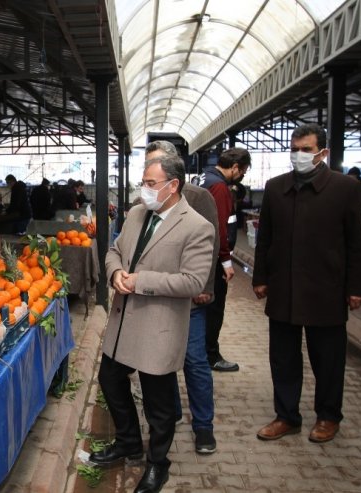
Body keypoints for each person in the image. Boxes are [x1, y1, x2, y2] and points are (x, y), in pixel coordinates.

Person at [90, 154, 214, 493]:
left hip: (158, 324)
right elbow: (115, 250)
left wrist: (141, 280)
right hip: (123, 320)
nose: (144, 190)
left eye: (150, 184)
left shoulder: (197, 227)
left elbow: (192, 281)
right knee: (110, 379)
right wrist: (115, 272)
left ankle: (158, 463)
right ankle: (129, 442)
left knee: (159, 403)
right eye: (143, 183)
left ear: (173, 186)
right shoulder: (136, 214)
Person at [253, 123, 361, 443]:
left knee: (328, 359)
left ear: (323, 153)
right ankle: (286, 416)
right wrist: (260, 276)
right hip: (284, 288)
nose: (299, 155)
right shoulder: (276, 188)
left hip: (326, 289)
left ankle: (328, 416)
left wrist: (356, 287)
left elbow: (357, 242)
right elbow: (265, 238)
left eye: (306, 150)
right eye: (295, 149)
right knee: (284, 357)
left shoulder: (345, 188)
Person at [145, 140, 220, 455]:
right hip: (157, 296)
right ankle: (171, 412)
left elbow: (211, 244)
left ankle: (204, 427)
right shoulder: (146, 204)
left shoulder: (198, 198)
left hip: (189, 298)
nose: (148, 178)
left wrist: (206, 286)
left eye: (155, 167)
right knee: (163, 360)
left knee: (194, 361)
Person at [199, 147, 251, 372]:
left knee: (203, 309)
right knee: (214, 308)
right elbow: (219, 228)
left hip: (201, 255)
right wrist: (226, 260)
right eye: (243, 172)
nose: (241, 177)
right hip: (214, 259)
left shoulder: (203, 177)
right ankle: (211, 356)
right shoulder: (219, 187)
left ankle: (200, 351)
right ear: (236, 167)